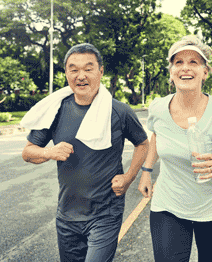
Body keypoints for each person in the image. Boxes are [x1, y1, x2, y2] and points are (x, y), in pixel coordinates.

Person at [20, 43, 149, 262]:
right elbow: (28, 152)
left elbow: (143, 144)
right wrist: (49, 152)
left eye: (88, 69)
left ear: (101, 72)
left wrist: (129, 178)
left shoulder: (119, 111)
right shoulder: (55, 110)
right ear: (66, 74)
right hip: (67, 215)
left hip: (105, 213)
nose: (81, 76)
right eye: (74, 69)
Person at [138, 35, 212, 262]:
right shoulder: (159, 107)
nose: (185, 68)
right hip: (168, 206)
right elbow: (157, 136)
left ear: (204, 72)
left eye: (193, 62)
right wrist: (147, 171)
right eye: (178, 62)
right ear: (171, 71)